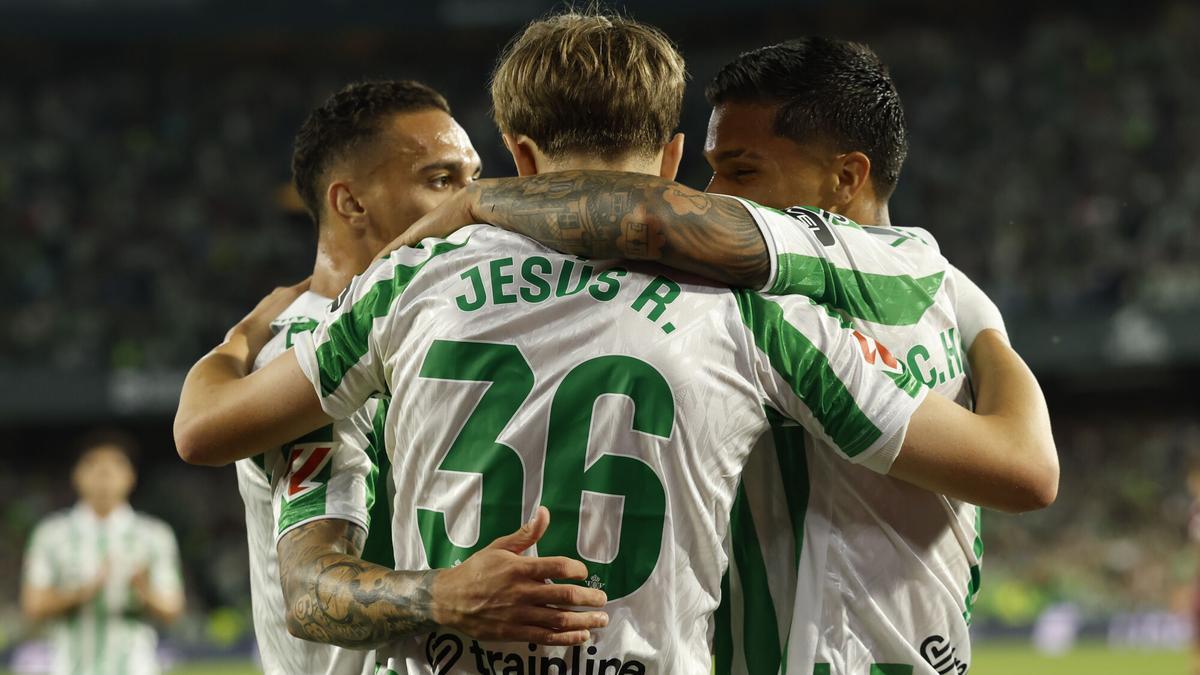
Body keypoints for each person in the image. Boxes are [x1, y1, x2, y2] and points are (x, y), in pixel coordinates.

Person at [174, 11, 1054, 672]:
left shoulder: (405, 282)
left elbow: (211, 436)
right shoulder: (752, 305)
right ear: (674, 160)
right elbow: (1017, 472)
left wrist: (236, 344)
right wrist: (987, 338)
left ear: (516, 153)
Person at [22, 431, 184, 675]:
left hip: (135, 667)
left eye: (115, 464)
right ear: (76, 475)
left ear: (130, 476)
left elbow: (172, 608)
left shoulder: (154, 535)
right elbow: (33, 605)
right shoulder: (51, 535)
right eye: (93, 464)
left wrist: (142, 588)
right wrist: (81, 592)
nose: (104, 473)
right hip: (69, 667)